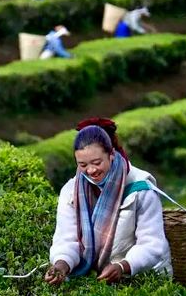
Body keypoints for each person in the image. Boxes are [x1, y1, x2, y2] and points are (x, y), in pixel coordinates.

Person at [44, 118, 172, 285]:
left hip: (144, 278)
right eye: (82, 165)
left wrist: (123, 266)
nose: (91, 170)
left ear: (112, 154)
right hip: (99, 279)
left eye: (97, 163)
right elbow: (67, 239)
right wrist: (61, 265)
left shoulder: (141, 188)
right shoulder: (71, 191)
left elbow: (153, 244)